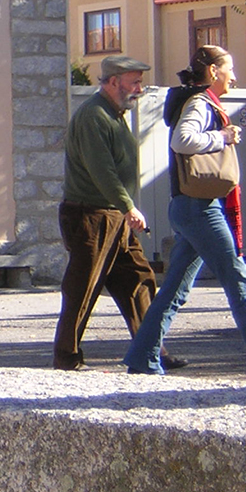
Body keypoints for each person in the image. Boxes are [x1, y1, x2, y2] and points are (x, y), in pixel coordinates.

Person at [123, 45, 246, 374]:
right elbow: (182, 141)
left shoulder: (196, 101)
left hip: (189, 206)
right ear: (212, 72)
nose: (234, 77)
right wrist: (221, 137)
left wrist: (220, 135)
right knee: (238, 281)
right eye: (229, 69)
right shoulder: (199, 102)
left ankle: (142, 359)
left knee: (174, 291)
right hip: (199, 208)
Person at [53, 55, 186, 371]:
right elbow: (102, 171)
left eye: (140, 82)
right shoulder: (93, 116)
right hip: (90, 215)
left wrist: (123, 210)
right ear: (113, 82)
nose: (139, 88)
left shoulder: (114, 114)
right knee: (83, 287)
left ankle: (152, 348)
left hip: (112, 215)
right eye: (134, 82)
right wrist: (129, 207)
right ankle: (67, 358)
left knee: (138, 280)